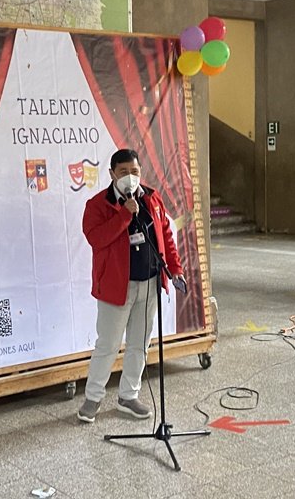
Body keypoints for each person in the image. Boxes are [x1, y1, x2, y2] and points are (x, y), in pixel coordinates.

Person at [78, 148, 186, 423]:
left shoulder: (151, 197)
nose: (130, 176)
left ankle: (129, 396)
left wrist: (175, 269)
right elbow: (96, 238)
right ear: (112, 174)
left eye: (135, 171)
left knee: (139, 344)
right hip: (116, 287)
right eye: (124, 172)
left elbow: (165, 236)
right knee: (108, 345)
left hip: (149, 284)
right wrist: (124, 215)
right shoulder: (97, 205)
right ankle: (93, 398)